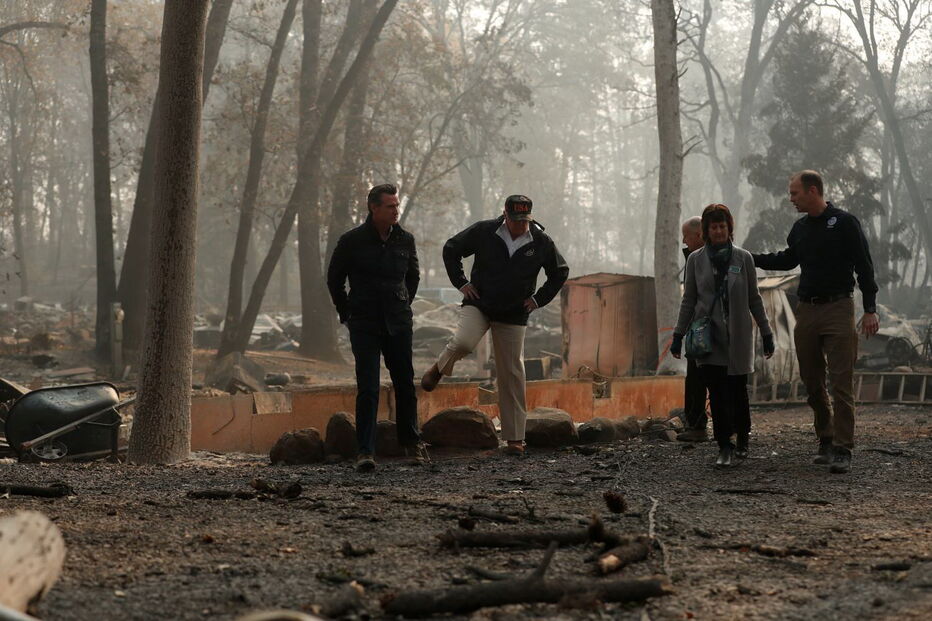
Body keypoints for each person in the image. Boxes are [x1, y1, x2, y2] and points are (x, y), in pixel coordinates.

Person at [420, 194, 569, 455]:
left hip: (514, 312)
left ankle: (514, 439)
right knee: (464, 342)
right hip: (480, 302)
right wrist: (461, 282)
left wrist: (538, 299)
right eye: (516, 220)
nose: (520, 225)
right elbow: (451, 248)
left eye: (525, 220)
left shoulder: (541, 241)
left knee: (512, 373)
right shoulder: (484, 231)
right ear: (505, 215)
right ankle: (439, 367)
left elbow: (560, 272)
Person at [752, 170, 879, 474]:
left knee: (841, 381)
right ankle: (826, 438)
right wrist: (749, 258)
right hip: (807, 309)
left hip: (839, 307)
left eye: (794, 193)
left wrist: (870, 308)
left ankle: (843, 448)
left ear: (813, 191)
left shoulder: (844, 223)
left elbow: (864, 266)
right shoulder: (800, 228)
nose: (791, 199)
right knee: (812, 380)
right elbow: (787, 259)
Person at [327, 184, 428, 472]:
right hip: (365, 322)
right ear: (374, 208)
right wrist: (347, 313)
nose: (396, 211)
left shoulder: (405, 240)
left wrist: (402, 304)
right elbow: (334, 280)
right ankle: (365, 451)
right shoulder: (351, 241)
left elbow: (413, 278)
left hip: (398, 322)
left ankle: (412, 443)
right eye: (390, 206)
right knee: (368, 387)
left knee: (405, 383)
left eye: (397, 205)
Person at [671, 204, 774, 467]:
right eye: (714, 227)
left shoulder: (743, 258)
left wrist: (766, 332)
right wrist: (678, 335)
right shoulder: (695, 260)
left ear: (729, 229)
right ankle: (724, 445)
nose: (718, 231)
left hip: (739, 336)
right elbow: (689, 300)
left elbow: (754, 298)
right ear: (706, 231)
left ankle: (743, 440)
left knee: (738, 391)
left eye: (722, 226)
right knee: (716, 393)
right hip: (709, 337)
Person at [677, 216, 710, 442]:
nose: (683, 241)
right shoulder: (693, 259)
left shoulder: (716, 257)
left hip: (709, 326)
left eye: (686, 236)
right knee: (695, 378)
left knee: (709, 377)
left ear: (698, 235)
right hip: (697, 328)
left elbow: (690, 300)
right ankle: (696, 425)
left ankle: (701, 425)